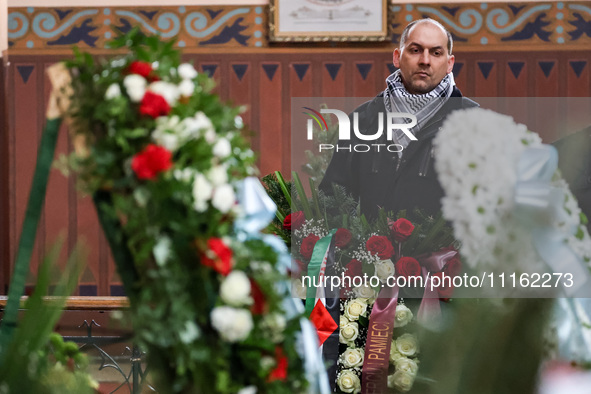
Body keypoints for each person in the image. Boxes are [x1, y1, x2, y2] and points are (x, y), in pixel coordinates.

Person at [319, 18, 478, 219]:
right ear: (397, 57)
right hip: (371, 249)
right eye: (415, 50)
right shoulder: (362, 119)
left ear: (449, 63)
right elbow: (333, 199)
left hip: (445, 250)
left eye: (436, 53)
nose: (425, 60)